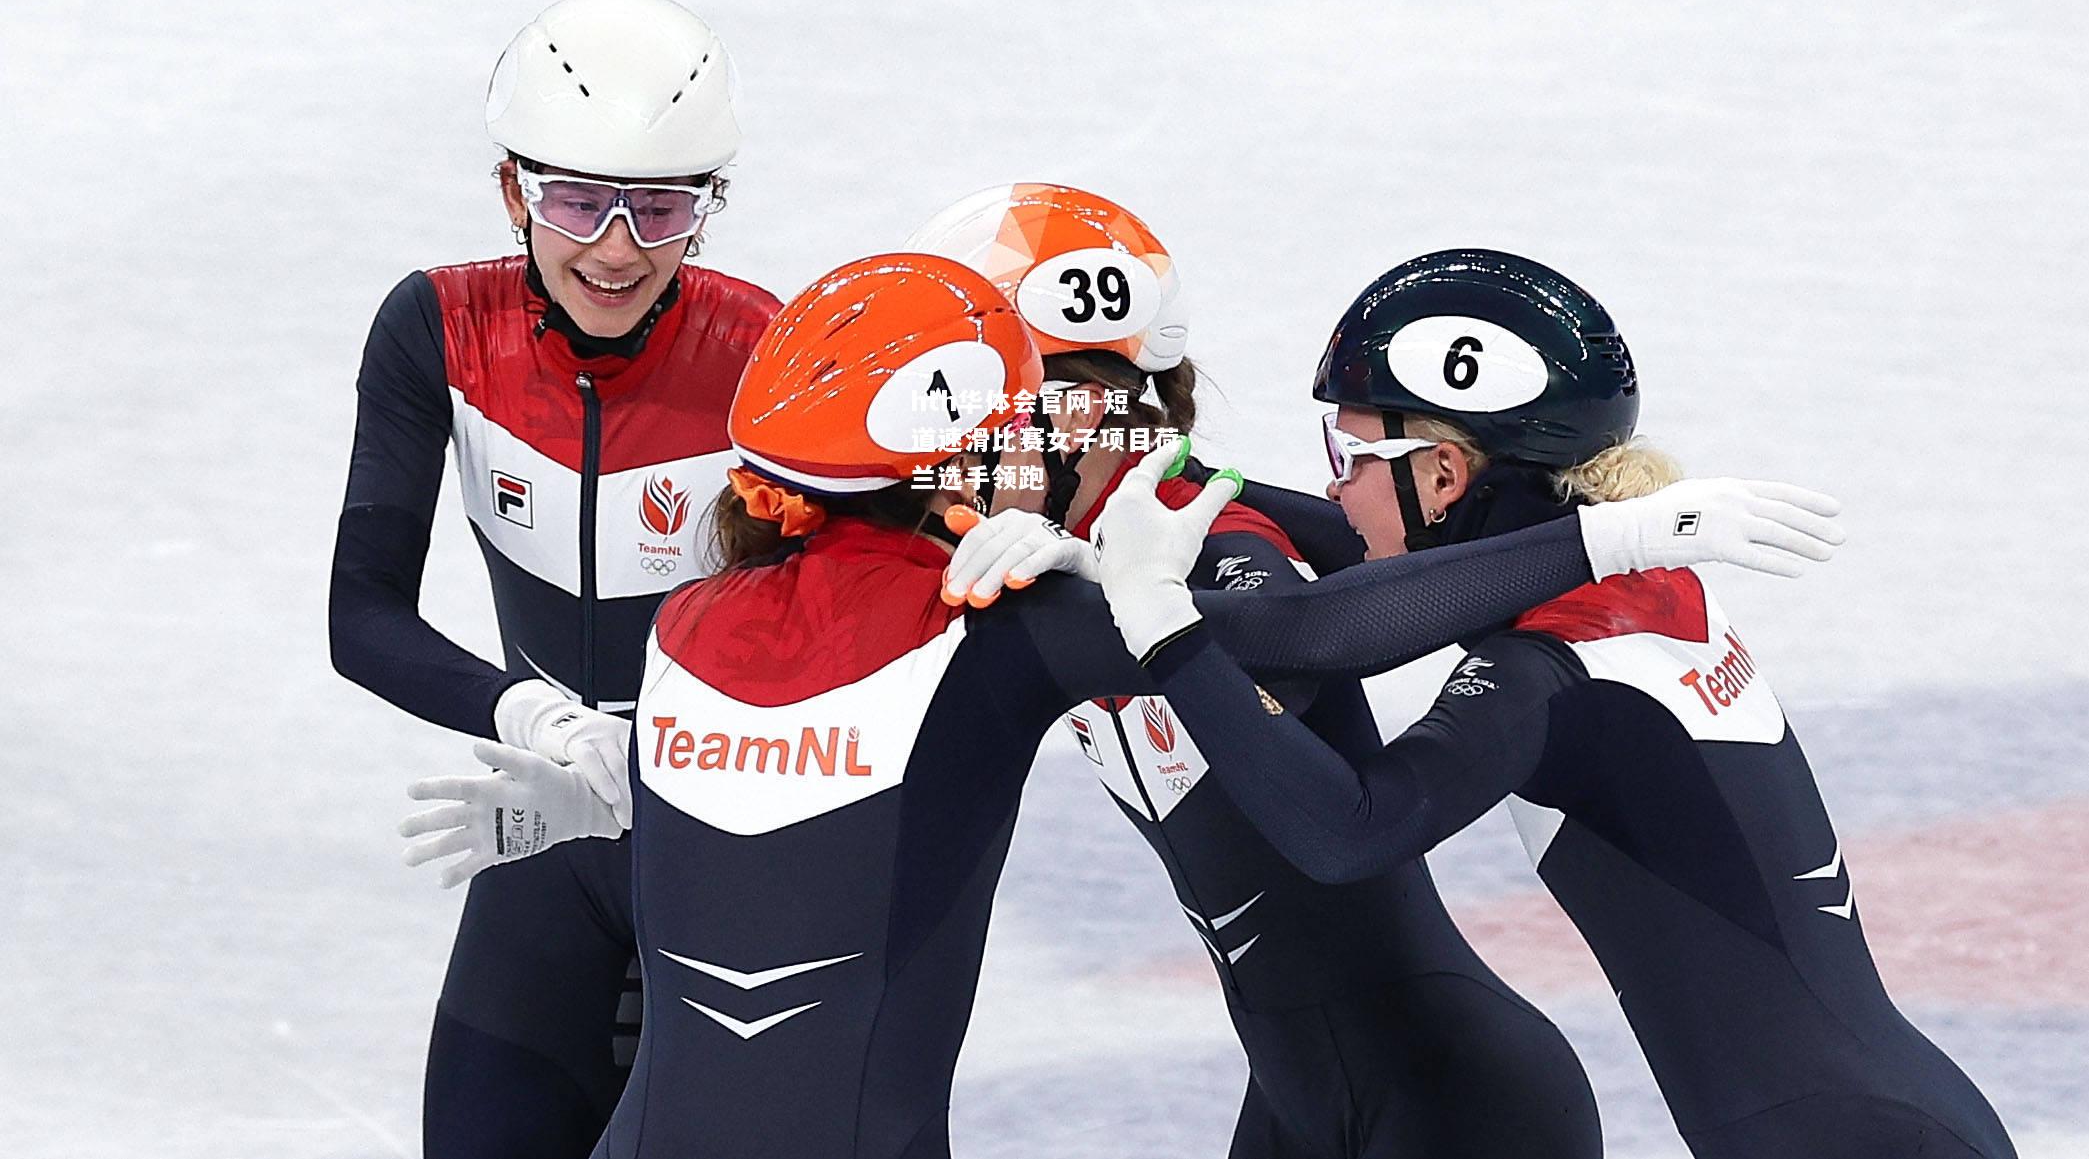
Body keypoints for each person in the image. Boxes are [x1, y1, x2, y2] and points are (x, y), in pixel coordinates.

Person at [400, 250, 1841, 1158]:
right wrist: (635, 766)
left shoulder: (1161, 558)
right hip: (1300, 1095)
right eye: (1039, 399)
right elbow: (846, 715)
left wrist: (1611, 539)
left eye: (1095, 393)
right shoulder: (1000, 596)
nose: (1070, 425)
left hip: (1438, 1099)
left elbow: (1301, 624)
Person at [1078, 249, 2014, 1159]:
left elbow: (1348, 830)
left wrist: (1165, 627)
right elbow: (1345, 606)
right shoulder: (1617, 574)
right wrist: (1135, 484)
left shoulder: (1553, 666)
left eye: (1350, 451)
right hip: (1882, 1113)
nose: (1332, 481)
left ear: (1443, 474)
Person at [909, 184, 1602, 1157]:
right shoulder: (1036, 533)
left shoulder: (1216, 540)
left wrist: (1140, 605)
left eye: (965, 405)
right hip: (1301, 1096)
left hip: (1454, 1108)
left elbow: (1293, 651)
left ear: (1076, 408)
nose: (939, 444)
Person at [329, 0, 779, 1158]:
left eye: (662, 207)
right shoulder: (436, 326)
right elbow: (361, 614)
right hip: (542, 837)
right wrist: (523, 708)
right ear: (510, 191)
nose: (617, 248)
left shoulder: (765, 350)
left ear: (707, 205)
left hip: (727, 849)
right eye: (575, 201)